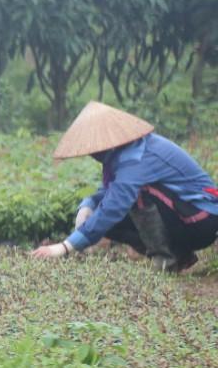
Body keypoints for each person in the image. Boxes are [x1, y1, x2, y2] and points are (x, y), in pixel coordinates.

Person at [32, 102, 218, 272]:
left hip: (202, 219)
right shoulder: (124, 156)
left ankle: (165, 260)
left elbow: (115, 204)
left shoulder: (140, 156)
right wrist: (88, 204)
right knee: (102, 212)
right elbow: (109, 193)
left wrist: (65, 247)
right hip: (184, 217)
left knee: (135, 195)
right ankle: (179, 255)